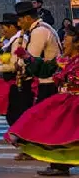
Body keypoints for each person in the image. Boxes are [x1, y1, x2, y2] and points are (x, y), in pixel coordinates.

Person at [6, 25, 79, 177]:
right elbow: (45, 69)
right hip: (66, 102)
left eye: (66, 38)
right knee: (56, 132)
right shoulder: (63, 60)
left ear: (77, 42)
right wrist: (28, 58)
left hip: (75, 105)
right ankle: (60, 165)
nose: (63, 42)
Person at [17, 0, 63, 105]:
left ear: (28, 18)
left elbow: (31, 58)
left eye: (20, 20)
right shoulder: (43, 27)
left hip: (48, 82)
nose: (19, 24)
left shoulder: (39, 31)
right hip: (49, 81)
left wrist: (19, 64)